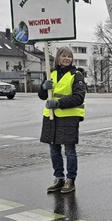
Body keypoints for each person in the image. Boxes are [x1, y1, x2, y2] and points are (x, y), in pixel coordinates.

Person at [39, 46, 86, 194]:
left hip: (68, 118)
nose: (66, 59)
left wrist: (59, 103)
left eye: (69, 56)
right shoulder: (50, 73)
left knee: (69, 151)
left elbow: (78, 97)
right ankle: (58, 178)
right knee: (54, 150)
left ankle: (70, 180)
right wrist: (43, 87)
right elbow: (42, 95)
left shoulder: (76, 75)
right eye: (63, 56)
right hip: (51, 117)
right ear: (58, 58)